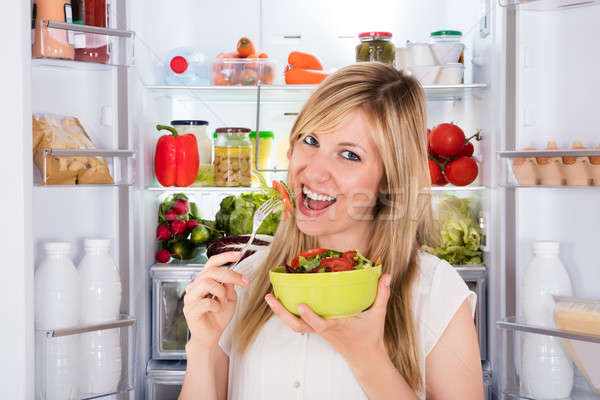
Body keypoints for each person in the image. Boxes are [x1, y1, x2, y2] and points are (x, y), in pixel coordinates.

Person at [179, 63, 483, 400]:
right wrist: (203, 348)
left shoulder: (435, 291)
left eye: (350, 155)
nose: (315, 170)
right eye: (310, 140)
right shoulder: (244, 282)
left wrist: (367, 357)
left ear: (388, 179)